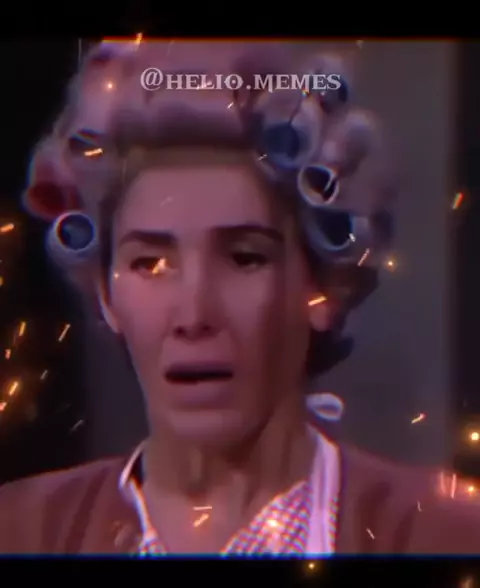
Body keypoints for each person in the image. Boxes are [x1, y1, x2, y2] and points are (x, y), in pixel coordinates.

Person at [0, 39, 479, 556]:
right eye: (150, 263)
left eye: (245, 258)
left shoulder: (449, 533)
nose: (194, 315)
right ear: (106, 295)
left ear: (321, 287)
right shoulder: (21, 530)